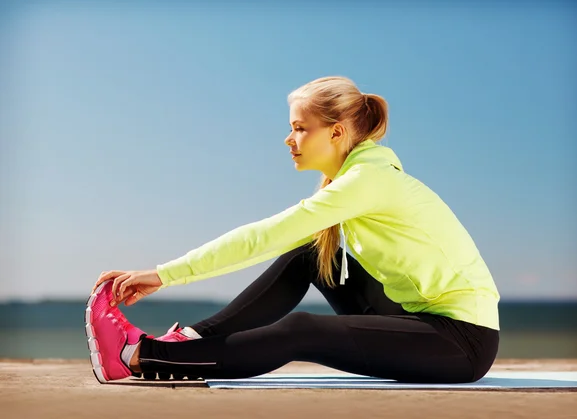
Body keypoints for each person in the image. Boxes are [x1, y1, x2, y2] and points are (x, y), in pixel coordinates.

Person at [87, 76, 500, 385]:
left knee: (302, 331)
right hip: (414, 316)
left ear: (336, 133)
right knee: (311, 257)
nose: (289, 139)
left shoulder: (368, 181)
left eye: (301, 128)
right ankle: (191, 339)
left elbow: (264, 236)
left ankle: (139, 356)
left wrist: (164, 274)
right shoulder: (360, 175)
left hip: (460, 340)